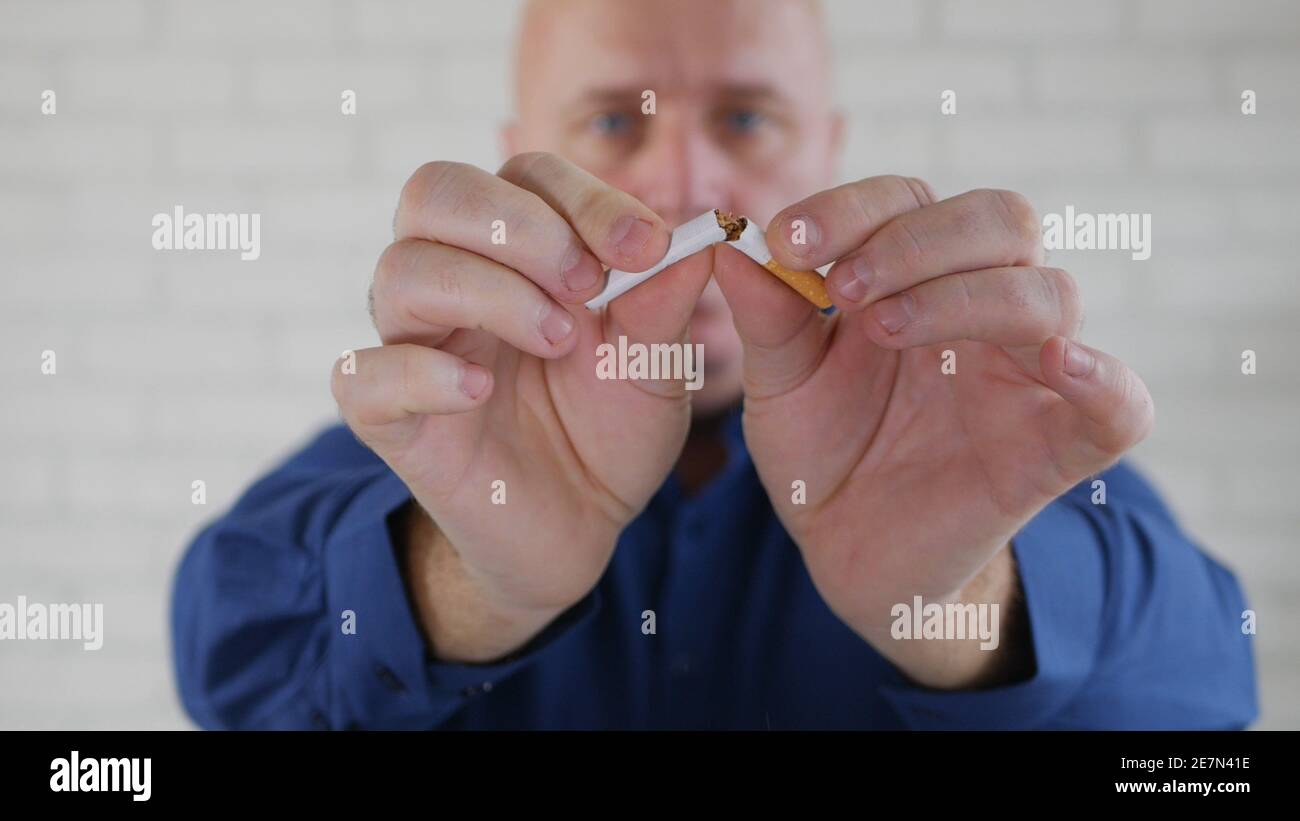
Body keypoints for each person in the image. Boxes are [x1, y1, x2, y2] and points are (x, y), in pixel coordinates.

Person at [171, 0, 1257, 729]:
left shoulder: (992, 458)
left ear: (827, 146)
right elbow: (234, 657)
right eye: (611, 120)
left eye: (746, 116)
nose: (687, 179)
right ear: (518, 148)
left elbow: (1200, 709)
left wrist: (958, 595)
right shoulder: (428, 444)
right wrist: (466, 577)